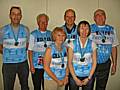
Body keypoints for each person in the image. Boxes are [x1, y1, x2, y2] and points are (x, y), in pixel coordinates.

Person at [0, 6, 29, 90]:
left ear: (21, 16)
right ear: (10, 16)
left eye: (18, 14)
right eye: (13, 14)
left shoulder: (26, 29)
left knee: (25, 86)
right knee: (8, 87)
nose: (16, 16)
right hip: (8, 64)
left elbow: (27, 45)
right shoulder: (2, 30)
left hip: (23, 63)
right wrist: (7, 53)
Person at [90, 9, 119, 90]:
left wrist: (114, 64)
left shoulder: (111, 29)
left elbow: (114, 47)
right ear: (94, 18)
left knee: (101, 87)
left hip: (105, 65)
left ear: (105, 17)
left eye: (102, 14)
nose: (99, 16)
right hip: (91, 64)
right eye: (97, 15)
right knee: (88, 87)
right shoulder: (89, 28)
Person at [68, 21, 97, 90]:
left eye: (86, 28)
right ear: (78, 29)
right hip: (74, 75)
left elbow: (94, 63)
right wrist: (75, 78)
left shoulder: (93, 44)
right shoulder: (72, 44)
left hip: (88, 75)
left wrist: (88, 78)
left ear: (89, 30)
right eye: (82, 28)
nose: (84, 31)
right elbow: (69, 63)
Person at [28, 14, 52, 90]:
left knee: (47, 87)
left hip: (48, 66)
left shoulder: (51, 34)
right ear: (38, 22)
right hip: (37, 66)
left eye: (45, 22)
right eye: (41, 22)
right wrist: (31, 65)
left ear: (47, 22)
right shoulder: (33, 34)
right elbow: (30, 51)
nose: (43, 24)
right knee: (37, 87)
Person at [62, 9, 78, 90]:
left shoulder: (80, 30)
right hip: (63, 63)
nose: (70, 18)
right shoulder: (60, 30)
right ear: (64, 18)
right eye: (67, 16)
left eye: (72, 16)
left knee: (74, 86)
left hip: (76, 63)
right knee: (63, 86)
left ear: (75, 18)